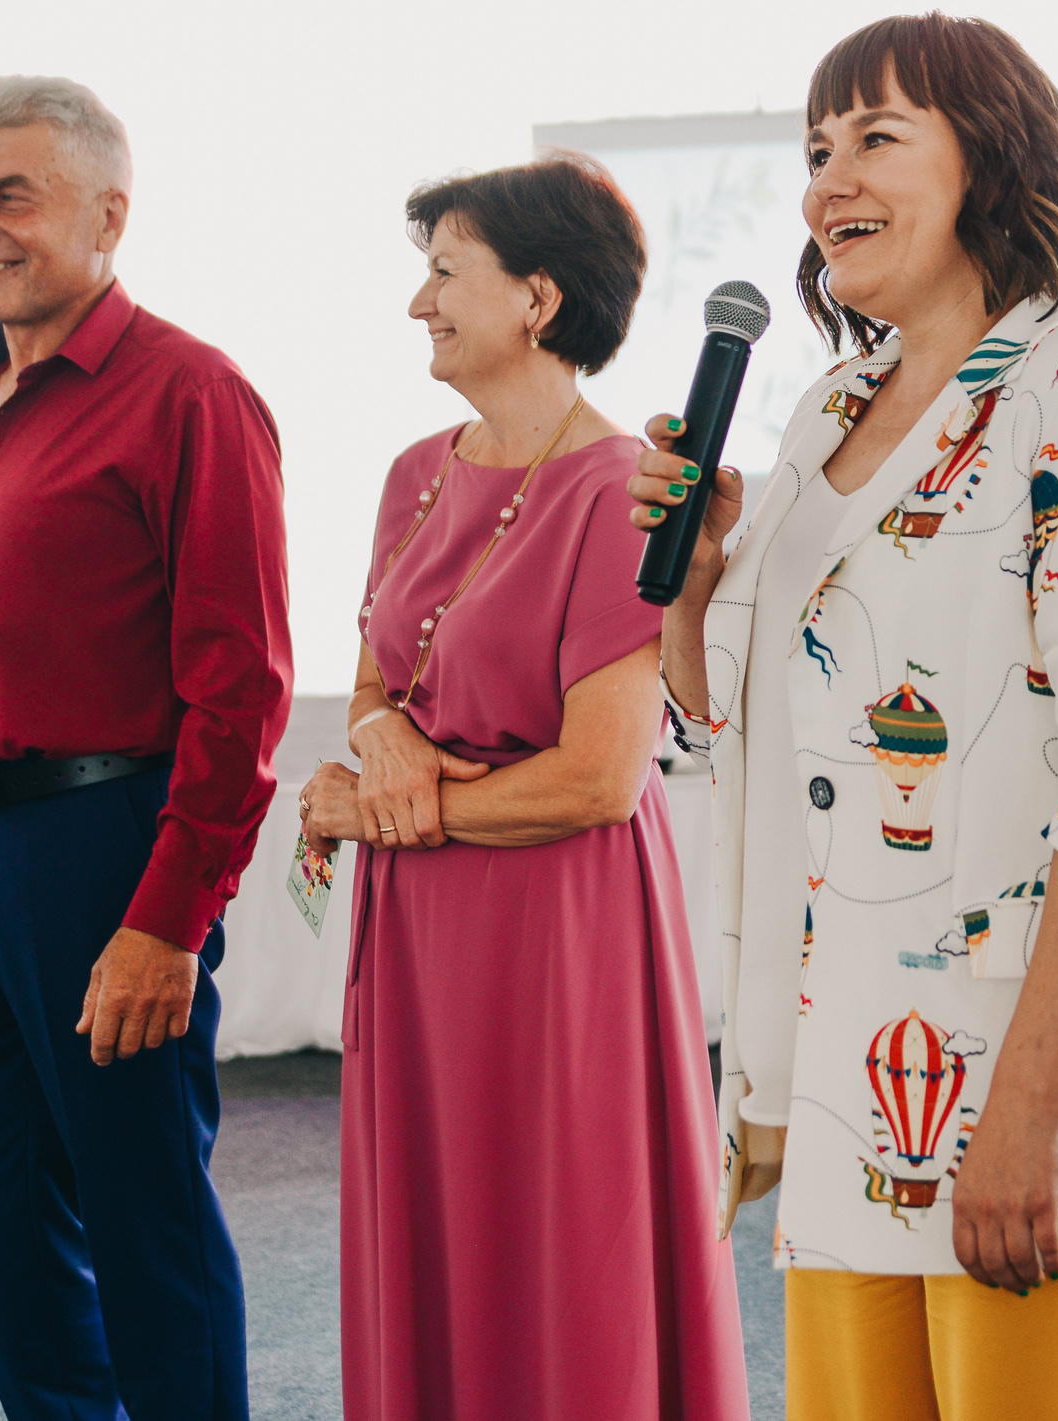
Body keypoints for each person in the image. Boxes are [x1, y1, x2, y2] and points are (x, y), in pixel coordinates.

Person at [628, 13, 1058, 1421]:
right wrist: (695, 590)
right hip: (843, 1097)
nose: (828, 179)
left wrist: (1026, 1102)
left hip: (1044, 1106)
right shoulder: (827, 411)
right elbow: (744, 743)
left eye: (876, 136)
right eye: (815, 150)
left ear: (992, 160)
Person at [0, 76, 291, 1421]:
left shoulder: (192, 394)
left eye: (10, 195)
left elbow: (242, 692)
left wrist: (168, 921)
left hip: (110, 848)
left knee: (144, 1217)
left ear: (108, 215)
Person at [294, 156, 748, 1421]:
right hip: (419, 932)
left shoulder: (619, 488)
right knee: (438, 1237)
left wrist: (388, 808)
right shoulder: (414, 471)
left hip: (558, 925)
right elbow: (378, 677)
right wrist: (382, 742)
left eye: (445, 272)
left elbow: (600, 778)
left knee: (560, 1243)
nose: (418, 302)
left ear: (537, 299)